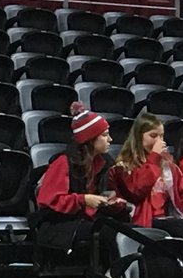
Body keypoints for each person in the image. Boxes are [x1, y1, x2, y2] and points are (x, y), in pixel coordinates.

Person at [33, 102, 128, 253]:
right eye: (104, 135)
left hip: (90, 220)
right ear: (90, 139)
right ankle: (114, 275)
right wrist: (83, 200)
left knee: (132, 231)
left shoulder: (106, 162)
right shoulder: (63, 162)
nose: (110, 139)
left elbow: (110, 193)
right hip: (60, 225)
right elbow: (50, 201)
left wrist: (115, 203)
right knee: (113, 234)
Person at [109, 113, 183, 237]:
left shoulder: (169, 166)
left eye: (161, 136)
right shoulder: (124, 166)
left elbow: (181, 199)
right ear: (139, 137)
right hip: (141, 219)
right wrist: (154, 157)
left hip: (167, 217)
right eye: (153, 136)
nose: (159, 141)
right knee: (182, 228)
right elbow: (136, 191)